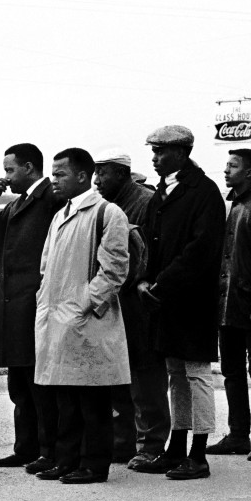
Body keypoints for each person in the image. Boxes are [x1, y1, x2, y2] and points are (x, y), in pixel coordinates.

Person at [32, 148, 131, 484]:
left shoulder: (107, 213)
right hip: (57, 319)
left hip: (86, 321)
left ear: (81, 175)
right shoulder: (60, 215)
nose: (53, 180)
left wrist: (81, 306)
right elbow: (46, 266)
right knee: (66, 398)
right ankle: (67, 458)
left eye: (60, 174)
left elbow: (115, 269)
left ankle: (94, 464)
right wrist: (46, 301)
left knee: (92, 399)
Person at [132, 125, 225, 481]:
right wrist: (143, 280)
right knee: (175, 375)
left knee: (197, 374)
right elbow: (151, 245)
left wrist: (161, 282)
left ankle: (198, 454)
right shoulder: (161, 193)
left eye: (160, 152)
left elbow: (201, 249)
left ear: (182, 152)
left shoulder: (203, 191)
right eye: (153, 152)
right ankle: (176, 446)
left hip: (192, 300)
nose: (154, 158)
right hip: (163, 300)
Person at [0, 143, 62, 472]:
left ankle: (47, 450)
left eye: (10, 170)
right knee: (20, 385)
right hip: (13, 306)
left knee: (39, 385)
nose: (6, 177)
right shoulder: (17, 205)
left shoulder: (51, 200)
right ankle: (25, 447)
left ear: (29, 168)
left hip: (35, 304)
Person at [93, 149, 167, 466]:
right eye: (94, 172)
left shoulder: (146, 202)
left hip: (140, 302)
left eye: (103, 172)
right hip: (115, 301)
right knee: (118, 374)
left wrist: (146, 282)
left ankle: (151, 444)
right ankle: (123, 441)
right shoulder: (106, 207)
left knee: (145, 373)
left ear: (121, 173)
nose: (97, 179)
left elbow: (155, 252)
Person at [207, 148, 251, 461]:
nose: (226, 170)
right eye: (226, 164)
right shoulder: (231, 206)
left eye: (233, 165)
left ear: (250, 172)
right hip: (228, 303)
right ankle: (238, 434)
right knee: (231, 371)